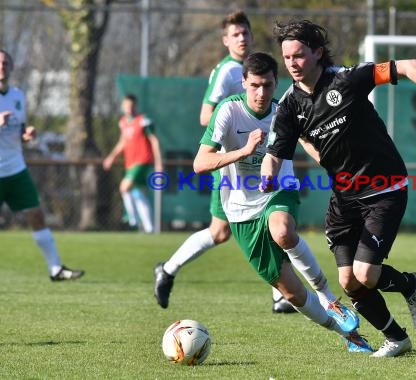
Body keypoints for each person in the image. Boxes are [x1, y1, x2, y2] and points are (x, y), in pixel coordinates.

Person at [261, 20, 416, 357]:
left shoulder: (346, 79)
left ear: (317, 53)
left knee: (366, 272)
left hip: (384, 186)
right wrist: (268, 174)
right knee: (349, 282)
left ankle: (410, 284)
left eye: (299, 55)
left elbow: (409, 66)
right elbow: (274, 154)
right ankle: (397, 339)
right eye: (287, 57)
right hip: (345, 196)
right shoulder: (289, 106)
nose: (292, 63)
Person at [192, 51, 372, 352]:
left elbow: (311, 143)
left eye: (267, 85)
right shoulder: (228, 111)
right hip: (239, 210)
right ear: (244, 83)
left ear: (276, 83)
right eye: (254, 86)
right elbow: (200, 163)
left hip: (278, 189)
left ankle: (330, 299)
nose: (261, 93)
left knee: (283, 231)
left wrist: (338, 169)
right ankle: (348, 336)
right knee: (292, 294)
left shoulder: (285, 110)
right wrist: (243, 151)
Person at [153, 10, 294, 313]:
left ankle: (280, 294)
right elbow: (206, 115)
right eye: (235, 34)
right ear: (225, 40)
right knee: (220, 232)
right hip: (231, 161)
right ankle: (167, 269)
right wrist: (235, 125)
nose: (242, 38)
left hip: (254, 157)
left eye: (245, 33)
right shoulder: (228, 71)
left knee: (269, 217)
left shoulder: (252, 68)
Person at [0, 49, 84, 281]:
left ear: (12, 67)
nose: (2, 67)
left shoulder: (17, 95)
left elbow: (19, 131)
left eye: (5, 63)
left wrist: (27, 134)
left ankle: (55, 269)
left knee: (37, 215)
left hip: (16, 168)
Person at [103, 94, 163, 234]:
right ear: (123, 106)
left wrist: (158, 162)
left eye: (131, 106)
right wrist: (111, 157)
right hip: (130, 163)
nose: (128, 108)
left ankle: (132, 218)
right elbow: (122, 143)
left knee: (124, 187)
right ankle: (149, 228)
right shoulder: (123, 122)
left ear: (135, 106)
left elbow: (154, 141)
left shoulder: (143, 121)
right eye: (126, 106)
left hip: (142, 160)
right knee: (139, 193)